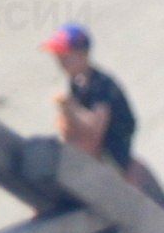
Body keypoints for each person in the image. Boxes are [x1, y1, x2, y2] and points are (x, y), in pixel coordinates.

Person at [43, 24, 138, 175]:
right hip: (91, 143)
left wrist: (70, 108)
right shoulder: (77, 82)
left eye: (65, 57)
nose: (60, 62)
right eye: (58, 57)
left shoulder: (101, 84)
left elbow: (96, 128)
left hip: (113, 145)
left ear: (83, 55)